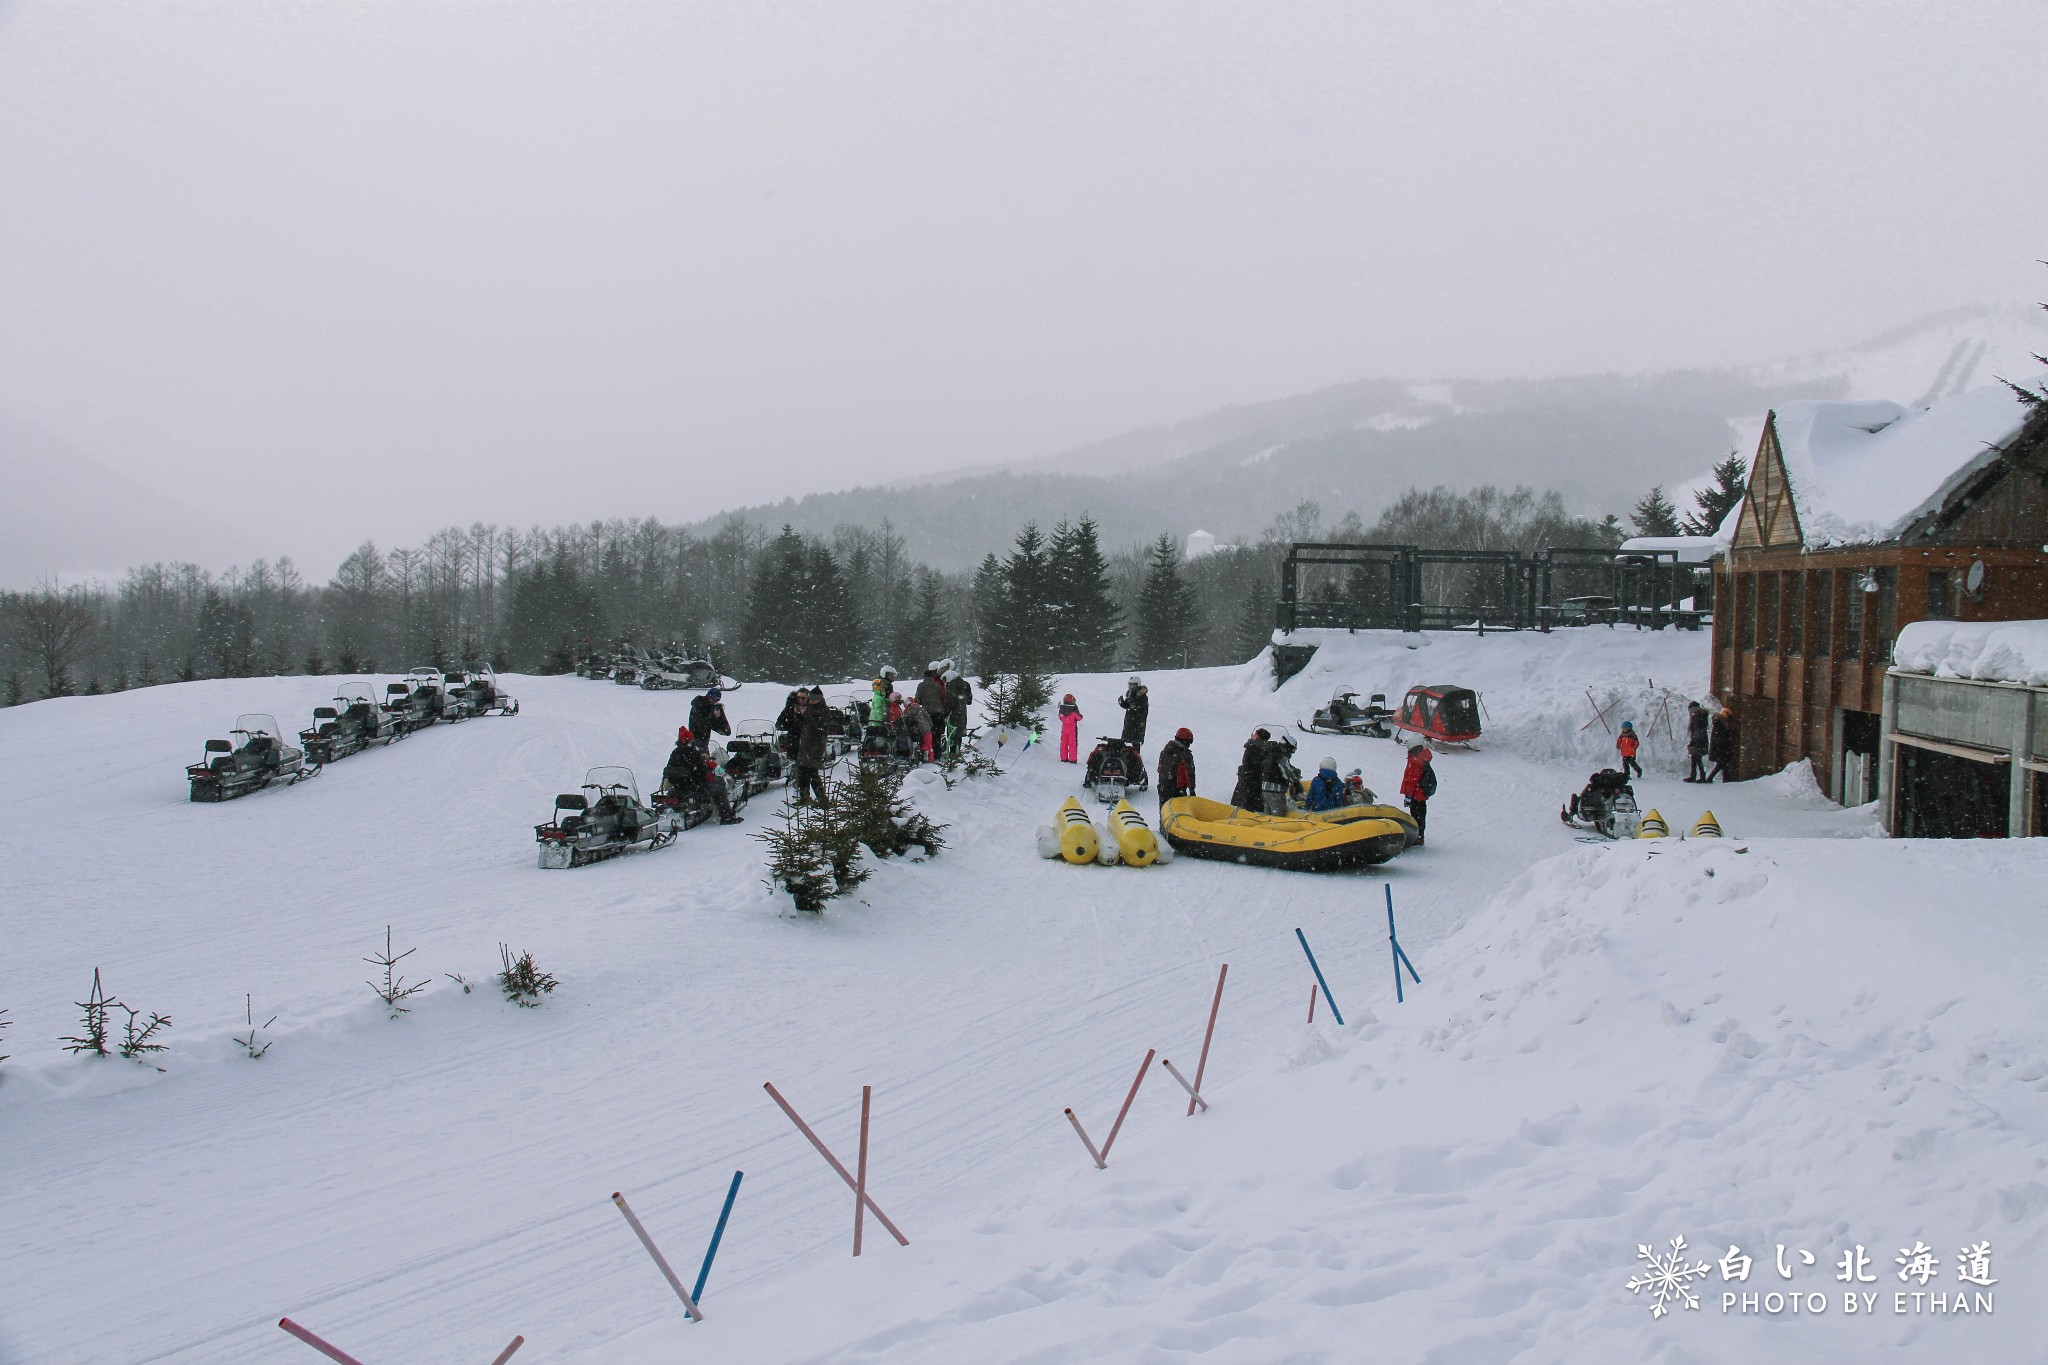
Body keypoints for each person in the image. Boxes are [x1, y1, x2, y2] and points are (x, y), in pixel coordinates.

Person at [663, 725, 741, 824]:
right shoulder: (693, 753)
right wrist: (707, 772)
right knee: (719, 790)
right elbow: (703, 770)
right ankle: (727, 817)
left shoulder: (675, 753)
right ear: (690, 740)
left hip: (680, 787)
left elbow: (670, 767)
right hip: (696, 787)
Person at [790, 695, 830, 805]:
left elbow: (818, 728)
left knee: (812, 772)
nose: (811, 701)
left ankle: (822, 799)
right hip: (805, 745)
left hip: (815, 746)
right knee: (802, 772)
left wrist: (806, 714)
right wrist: (798, 715)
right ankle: (805, 797)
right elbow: (802, 724)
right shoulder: (811, 709)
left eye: (813, 699)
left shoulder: (823, 711)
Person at [1399, 743, 1436, 846]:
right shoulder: (1422, 757)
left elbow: (1412, 780)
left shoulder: (1415, 760)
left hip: (1416, 794)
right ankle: (1420, 836)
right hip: (1421, 794)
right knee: (1421, 815)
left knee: (1415, 816)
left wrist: (1408, 795)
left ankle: (1417, 837)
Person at [1231, 728, 1271, 809]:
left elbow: (1247, 762)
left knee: (1242, 801)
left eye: (1255, 734)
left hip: (1248, 777)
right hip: (1258, 779)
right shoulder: (1267, 748)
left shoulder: (1252, 745)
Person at [1157, 727, 1196, 806]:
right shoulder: (1185, 755)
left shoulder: (1165, 751)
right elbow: (1189, 773)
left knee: (1165, 812)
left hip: (1163, 787)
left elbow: (1159, 769)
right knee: (1178, 814)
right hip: (1177, 790)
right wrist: (1192, 789)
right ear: (1185, 741)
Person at [1262, 733, 1300, 814]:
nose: (1292, 753)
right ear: (1288, 746)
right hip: (1275, 790)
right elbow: (1286, 771)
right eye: (1293, 750)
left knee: (1268, 816)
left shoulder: (1272, 752)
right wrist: (1296, 783)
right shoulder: (1281, 754)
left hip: (1265, 789)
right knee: (1278, 815)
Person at [944, 668, 973, 758]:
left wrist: (945, 713)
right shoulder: (964, 685)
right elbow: (969, 701)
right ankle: (956, 751)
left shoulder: (952, 687)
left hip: (954, 714)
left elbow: (950, 703)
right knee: (958, 734)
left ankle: (953, 754)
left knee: (952, 734)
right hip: (962, 713)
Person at [1118, 676, 1149, 753]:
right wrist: (1122, 703)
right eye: (1130, 685)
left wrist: (1132, 705)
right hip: (1129, 720)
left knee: (1136, 741)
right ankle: (1123, 753)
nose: (1131, 687)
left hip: (1138, 721)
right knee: (1125, 739)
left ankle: (1136, 756)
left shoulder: (1142, 696)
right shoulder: (1130, 693)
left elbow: (1137, 706)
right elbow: (1128, 705)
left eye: (1133, 685)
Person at [900, 694, 931, 765]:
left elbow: (906, 721)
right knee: (927, 744)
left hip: (913, 730)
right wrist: (930, 725)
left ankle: (914, 754)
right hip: (925, 729)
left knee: (914, 741)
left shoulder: (906, 711)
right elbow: (927, 717)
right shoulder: (920, 709)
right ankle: (928, 758)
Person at [1707, 708, 1735, 783]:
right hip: (1721, 748)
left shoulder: (1719, 723)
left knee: (1723, 764)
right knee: (1722, 764)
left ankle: (1725, 779)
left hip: (1719, 747)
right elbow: (1721, 737)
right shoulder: (1721, 724)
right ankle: (1714, 778)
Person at [1685, 702, 1710, 782]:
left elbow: (1697, 730)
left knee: (1696, 758)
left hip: (1698, 739)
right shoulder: (1701, 715)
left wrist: (1695, 740)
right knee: (1696, 758)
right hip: (1701, 739)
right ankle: (1699, 776)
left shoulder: (1696, 716)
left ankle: (1697, 776)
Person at [1057, 693, 1083, 764]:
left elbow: (1060, 717)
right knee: (1072, 744)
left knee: (1063, 744)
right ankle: (1072, 759)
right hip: (1072, 730)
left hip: (1064, 729)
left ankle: (1063, 758)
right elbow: (1079, 718)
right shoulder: (1073, 710)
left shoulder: (1062, 709)